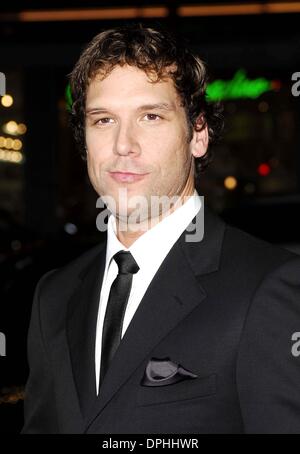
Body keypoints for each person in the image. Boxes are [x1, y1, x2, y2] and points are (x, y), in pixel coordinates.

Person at [22, 23, 300, 434]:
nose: (123, 144)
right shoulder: (55, 297)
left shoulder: (268, 286)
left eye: (150, 116)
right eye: (103, 120)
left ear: (198, 134)